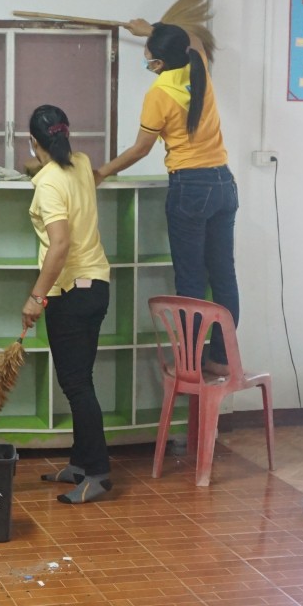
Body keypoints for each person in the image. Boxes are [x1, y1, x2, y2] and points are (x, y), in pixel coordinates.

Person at [96, 22, 238, 375]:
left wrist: (102, 172)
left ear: (159, 63)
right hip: (224, 183)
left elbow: (140, 149)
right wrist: (154, 28)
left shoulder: (159, 92)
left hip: (190, 187)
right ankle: (221, 359)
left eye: (148, 58)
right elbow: (196, 41)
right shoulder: (198, 68)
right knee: (223, 276)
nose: (147, 63)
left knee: (190, 281)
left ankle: (190, 364)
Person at [23, 105, 113, 504]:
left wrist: (35, 297)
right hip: (96, 288)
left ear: (33, 141)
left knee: (76, 385)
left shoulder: (48, 182)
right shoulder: (81, 163)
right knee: (81, 381)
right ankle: (80, 463)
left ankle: (97, 474)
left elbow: (59, 245)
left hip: (69, 294)